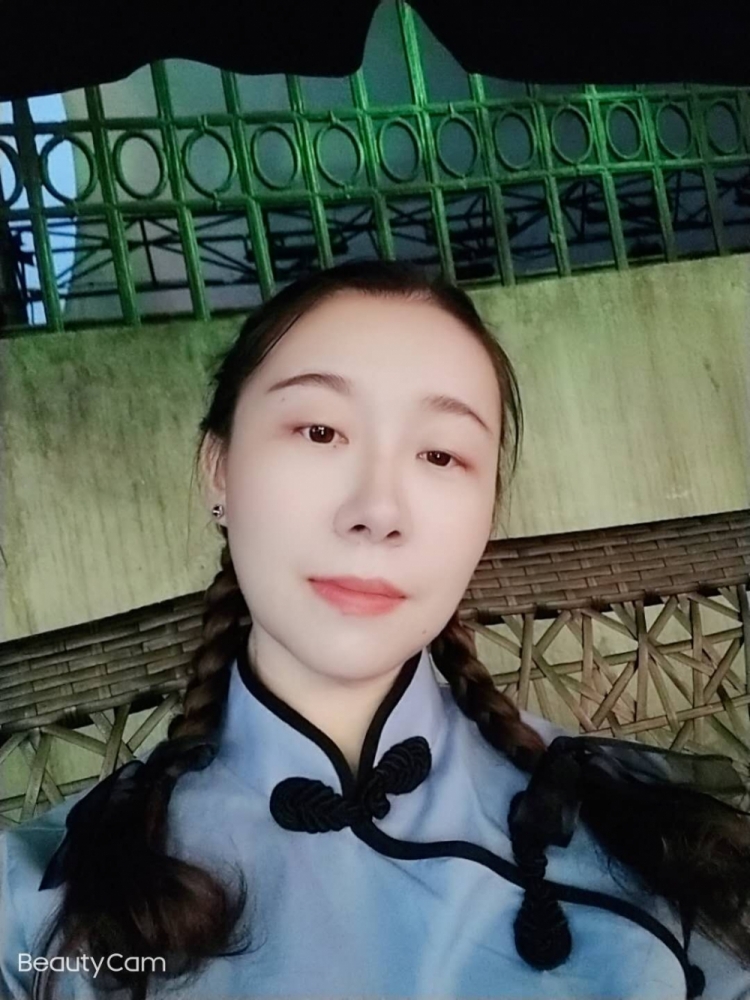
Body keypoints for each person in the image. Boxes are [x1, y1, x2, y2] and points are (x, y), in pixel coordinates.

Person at [1, 259, 750, 1000]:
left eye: (440, 454)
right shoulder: (37, 909)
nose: (378, 510)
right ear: (219, 468)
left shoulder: (648, 838)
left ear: (486, 514)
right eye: (320, 430)